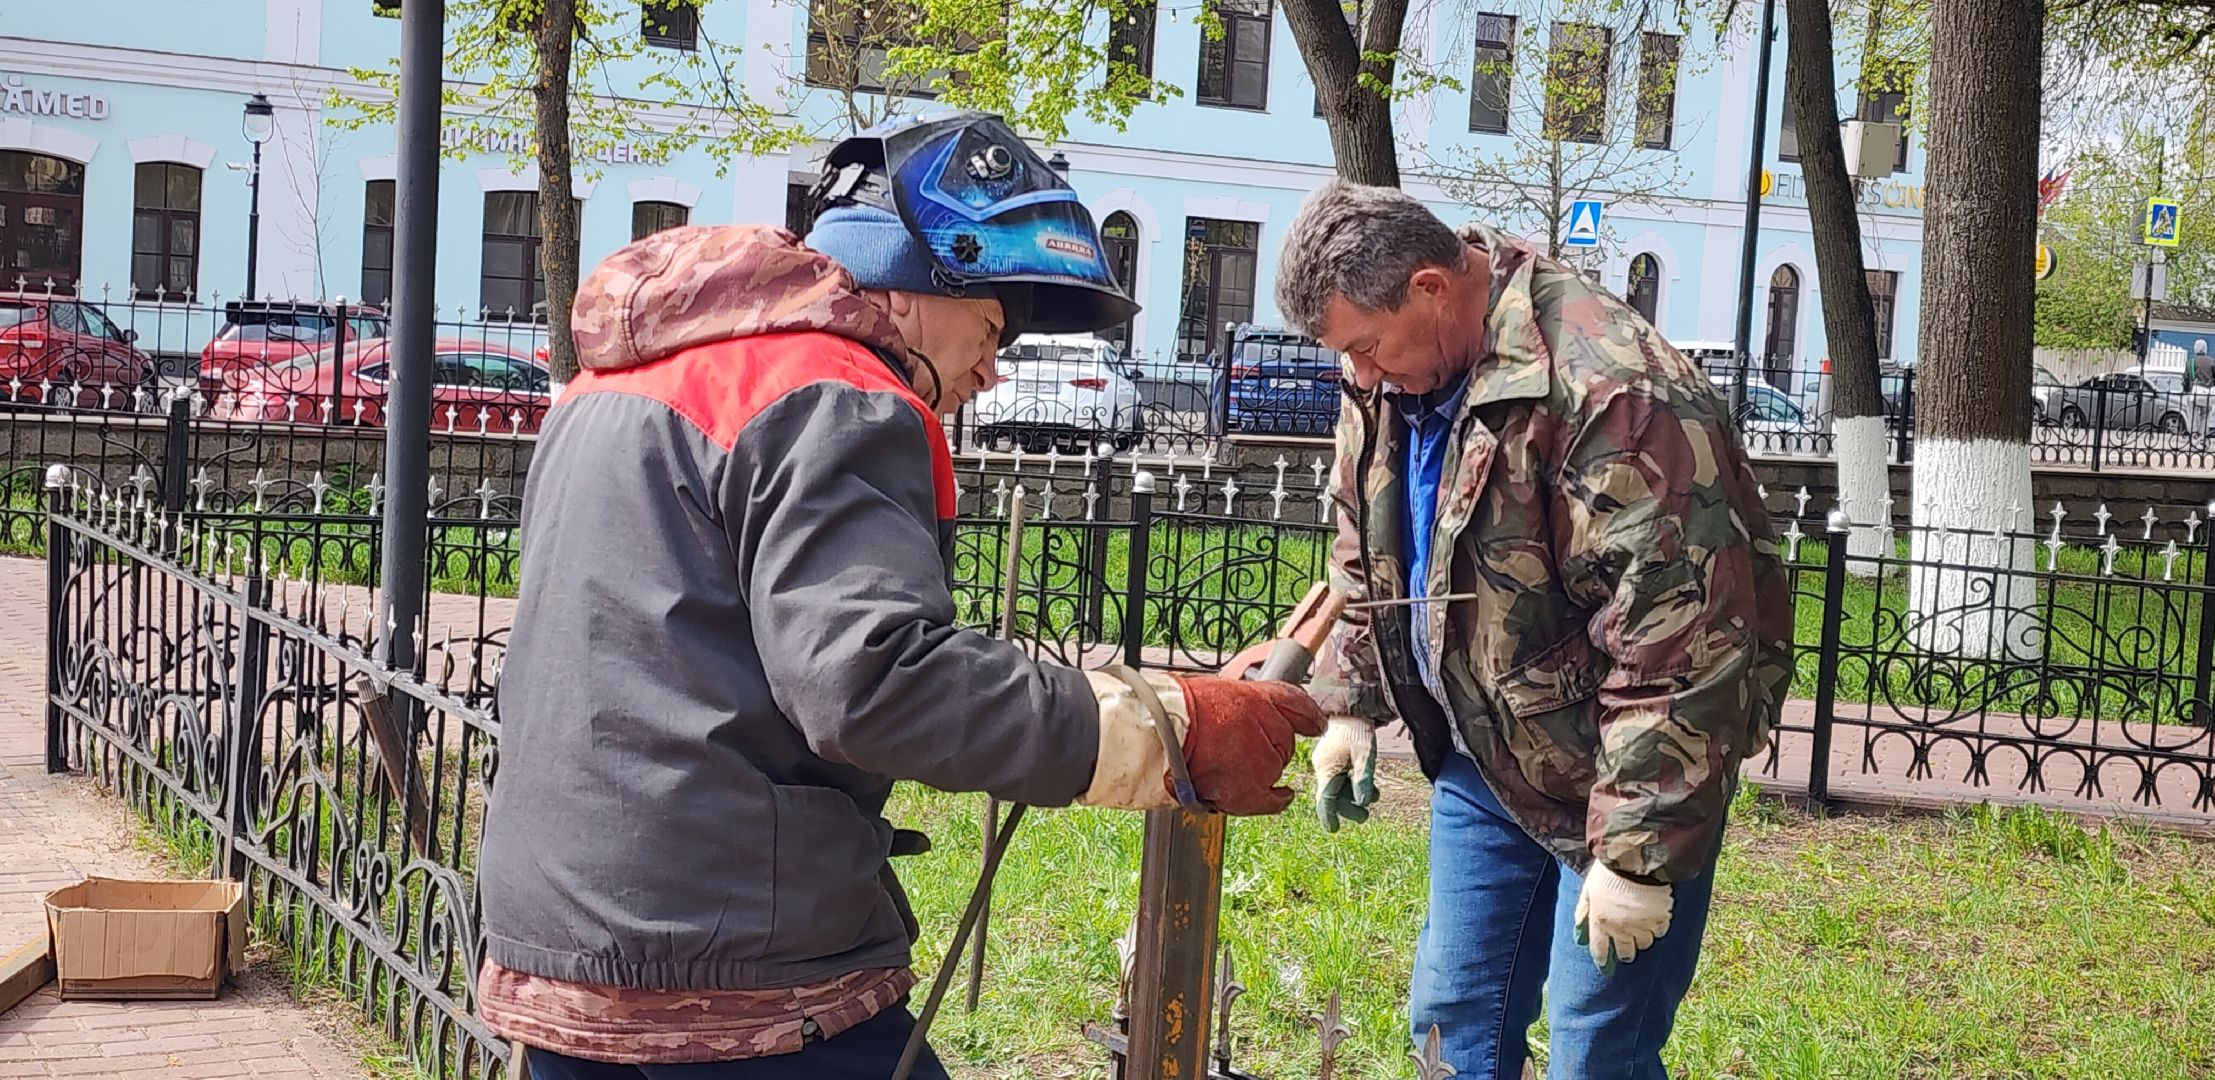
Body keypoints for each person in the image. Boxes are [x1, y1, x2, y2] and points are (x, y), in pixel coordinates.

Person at [476, 112, 1325, 1080]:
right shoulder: (831, 390)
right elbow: (874, 681)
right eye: (990, 327)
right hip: (727, 966)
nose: (991, 370)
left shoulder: (617, 382)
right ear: (917, 282)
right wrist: (1169, 727)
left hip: (562, 941)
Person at [1276, 181, 1793, 1079]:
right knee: (1454, 1023)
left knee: (1595, 1053)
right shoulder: (1397, 375)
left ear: (1431, 287)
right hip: (1485, 756)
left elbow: (1686, 634)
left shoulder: (1611, 390)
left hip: (1616, 765)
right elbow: (1373, 542)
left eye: (1363, 347)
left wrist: (1636, 853)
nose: (1358, 376)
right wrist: (1351, 698)